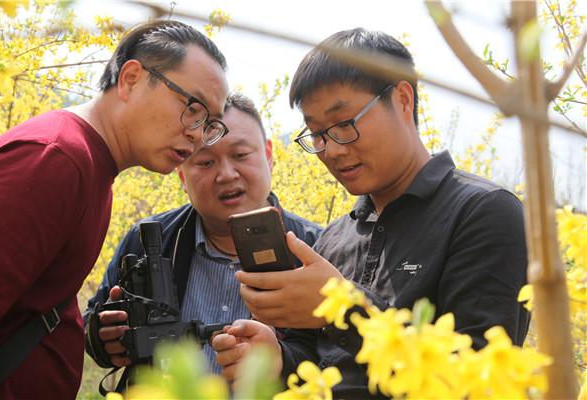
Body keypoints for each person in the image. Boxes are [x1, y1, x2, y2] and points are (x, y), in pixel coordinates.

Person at [212, 28, 530, 398]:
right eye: (316, 135)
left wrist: (345, 311)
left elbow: (476, 381)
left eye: (344, 125)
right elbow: (316, 364)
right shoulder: (333, 237)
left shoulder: (483, 212)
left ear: (402, 99)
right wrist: (276, 357)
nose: (331, 150)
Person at [0, 20, 229, 400]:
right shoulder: (57, 157)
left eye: (210, 124)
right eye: (193, 108)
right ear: (131, 79)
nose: (198, 134)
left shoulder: (92, 168)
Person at [83, 93, 322, 390]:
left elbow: (338, 362)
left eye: (241, 155)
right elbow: (93, 323)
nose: (226, 174)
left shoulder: (317, 249)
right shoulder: (148, 239)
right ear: (182, 176)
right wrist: (103, 336)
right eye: (205, 162)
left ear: (269, 155)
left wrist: (281, 359)